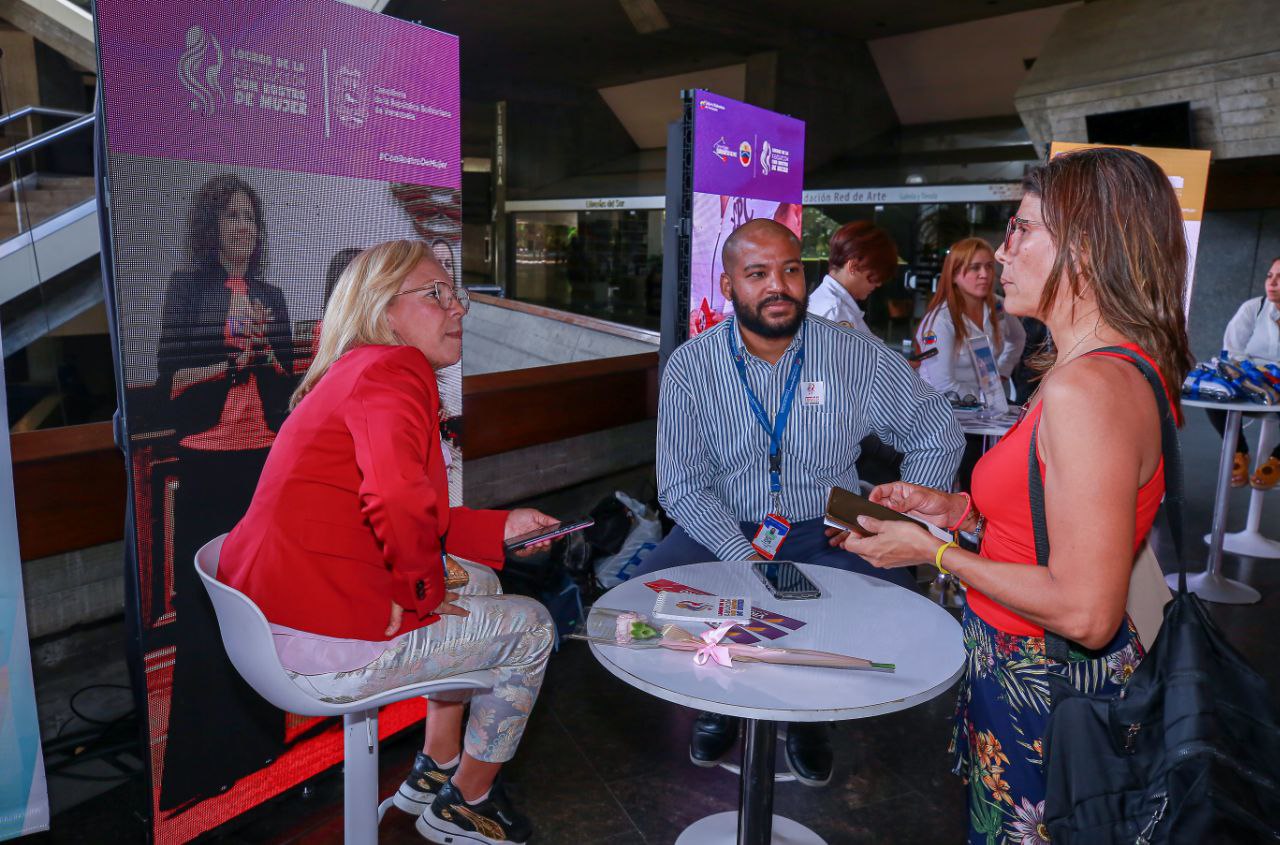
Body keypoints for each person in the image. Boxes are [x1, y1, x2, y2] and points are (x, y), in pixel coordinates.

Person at [837, 147, 1191, 843]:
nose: (1002, 254)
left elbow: (1087, 611)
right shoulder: (1112, 367)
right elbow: (1059, 519)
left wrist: (935, 553)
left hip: (1048, 685)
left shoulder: (1085, 388)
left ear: (1084, 250)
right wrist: (958, 512)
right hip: (1038, 675)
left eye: (1022, 230)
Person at [218, 240, 556, 845]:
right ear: (382, 308)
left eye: (457, 295)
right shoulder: (395, 370)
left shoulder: (358, 369)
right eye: (436, 294)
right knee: (532, 628)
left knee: (479, 579)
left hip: (275, 611)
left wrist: (500, 527)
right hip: (315, 638)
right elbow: (398, 501)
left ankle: (436, 762)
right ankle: (468, 801)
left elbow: (408, 508)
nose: (458, 309)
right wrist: (421, 593)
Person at [634, 218, 964, 787]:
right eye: (757, 273)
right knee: (643, 608)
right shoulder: (691, 367)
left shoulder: (852, 354)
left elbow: (936, 427)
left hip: (824, 523)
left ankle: (811, 716)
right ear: (729, 284)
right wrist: (742, 553)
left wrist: (902, 522)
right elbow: (681, 484)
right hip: (721, 524)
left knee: (887, 609)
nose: (777, 286)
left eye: (790, 270)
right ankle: (720, 701)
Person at [155, 173, 295, 812]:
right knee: (210, 613)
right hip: (210, 468)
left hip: (263, 468)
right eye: (232, 219)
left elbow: (291, 389)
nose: (244, 231)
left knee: (263, 607)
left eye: (251, 220)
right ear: (209, 229)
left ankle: (264, 746)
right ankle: (206, 759)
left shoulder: (268, 290)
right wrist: (227, 363)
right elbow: (173, 389)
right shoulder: (187, 293)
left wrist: (268, 362)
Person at [915, 237, 1026, 403]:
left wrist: (1003, 371)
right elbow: (943, 386)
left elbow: (1018, 338)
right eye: (975, 268)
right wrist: (986, 399)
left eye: (989, 266)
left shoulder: (998, 305)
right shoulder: (941, 320)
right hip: (940, 411)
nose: (984, 274)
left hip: (985, 410)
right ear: (953, 275)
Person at [1207, 257, 1280, 489]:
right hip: (1251, 384)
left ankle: (1277, 460)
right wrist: (1259, 375)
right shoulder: (1253, 308)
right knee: (1214, 393)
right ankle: (1239, 452)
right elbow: (1233, 354)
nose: (1272, 283)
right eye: (1270, 276)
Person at [807, 220, 898, 335]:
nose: (878, 284)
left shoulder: (823, 302)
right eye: (874, 276)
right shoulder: (835, 313)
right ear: (853, 266)